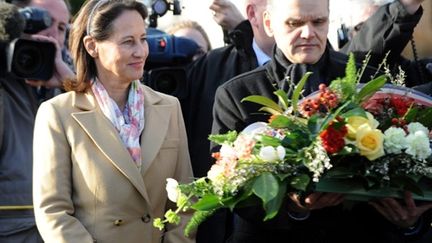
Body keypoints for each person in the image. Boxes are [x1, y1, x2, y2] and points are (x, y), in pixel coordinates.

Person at [211, 0, 432, 242]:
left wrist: (410, 222)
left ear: (329, 20)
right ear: (268, 23)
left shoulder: (368, 80)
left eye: (318, 22)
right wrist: (294, 209)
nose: (308, 33)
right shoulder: (237, 94)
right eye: (294, 23)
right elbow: (229, 188)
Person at [32, 1, 194, 242]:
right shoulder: (58, 114)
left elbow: (186, 202)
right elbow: (53, 213)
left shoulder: (169, 107)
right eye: (128, 42)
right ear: (92, 46)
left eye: (143, 39)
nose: (140, 51)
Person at [0, 3, 44, 242]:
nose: (49, 37)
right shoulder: (6, 88)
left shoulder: (65, 84)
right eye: (35, 27)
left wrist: (69, 82)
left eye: (61, 27)